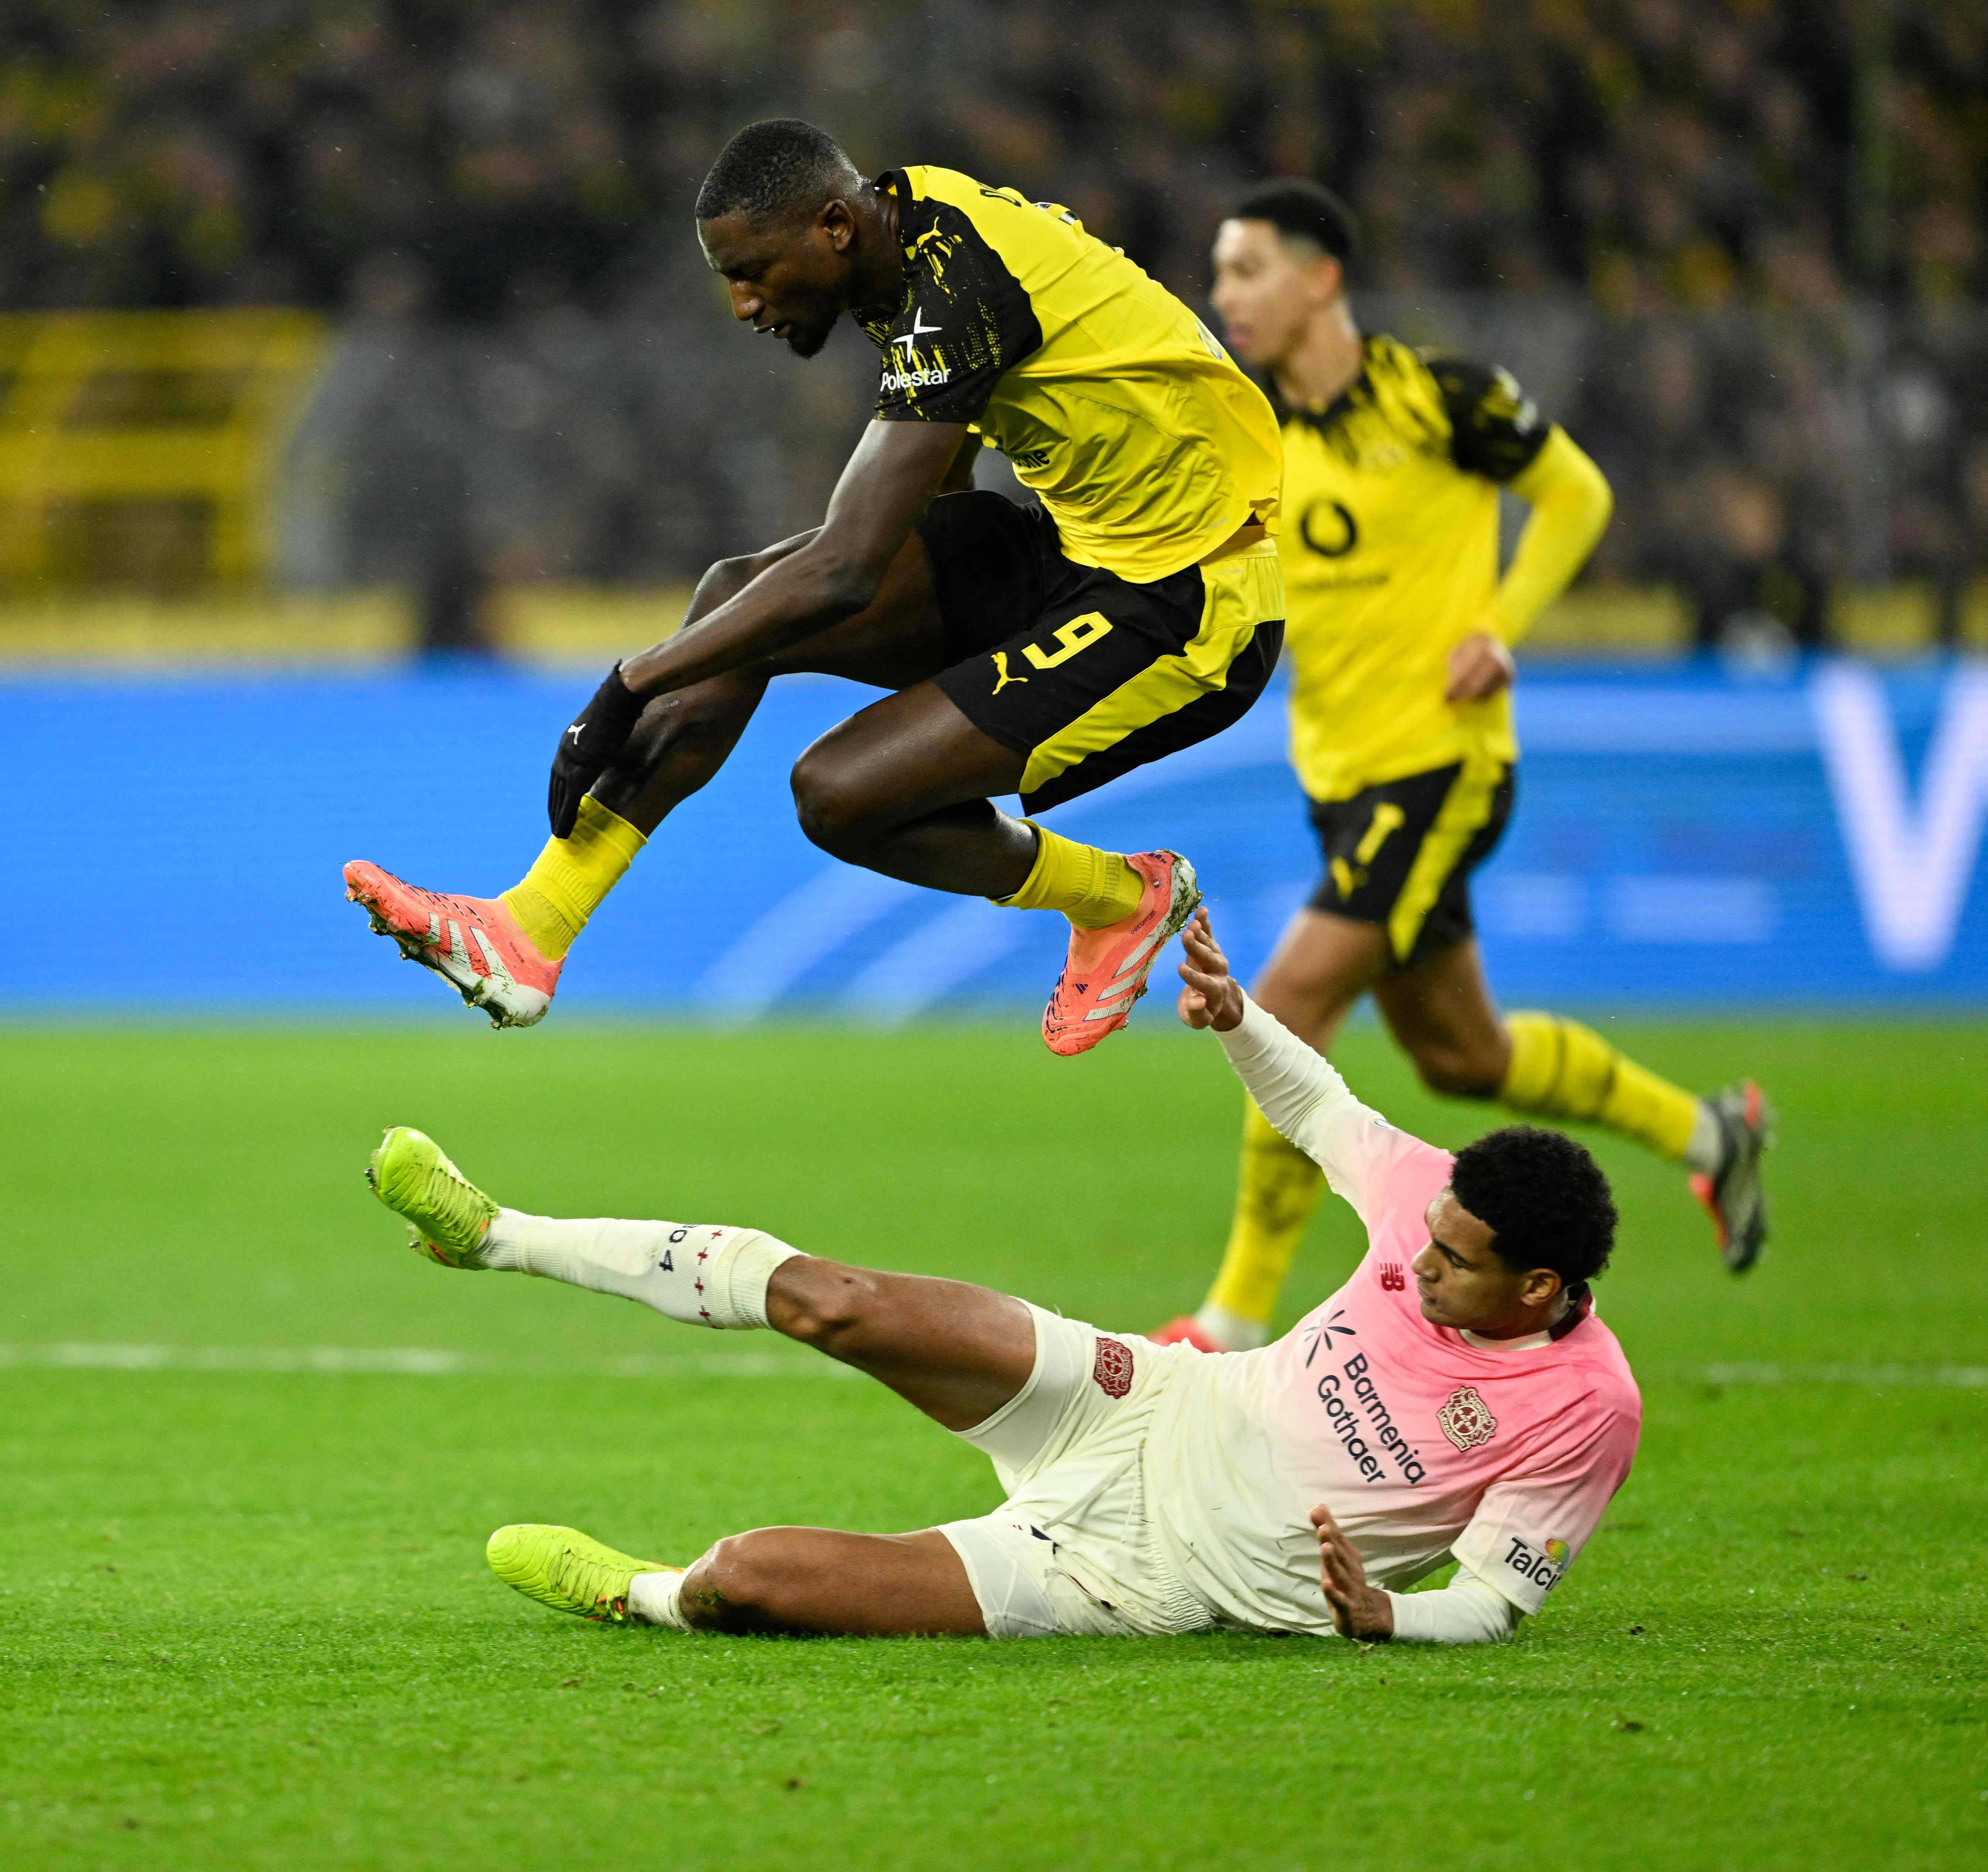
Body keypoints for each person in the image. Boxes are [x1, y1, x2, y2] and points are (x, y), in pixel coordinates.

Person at [362, 912, 1637, 1644]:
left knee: (744, 1576)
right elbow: (1323, 1109)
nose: (1417, 1262)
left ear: (1538, 1288)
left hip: (1144, 1578)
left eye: (1453, 1263)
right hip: (1152, 1398)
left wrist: (1387, 1620)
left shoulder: (1586, 1408)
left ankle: (635, 1594)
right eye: (1427, 1237)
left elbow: (1492, 1600)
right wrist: (1239, 1019)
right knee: (834, 1300)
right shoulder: (1439, 1197)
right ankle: (496, 1234)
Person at [343, 118, 1287, 1054]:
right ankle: (530, 927)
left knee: (840, 792)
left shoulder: (955, 282)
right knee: (738, 595)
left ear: (833, 226)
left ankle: (1121, 897)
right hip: (1069, 549)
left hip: (1189, 602)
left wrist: (628, 683)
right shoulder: (905, 235)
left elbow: (844, 569)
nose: (742, 304)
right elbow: (938, 471)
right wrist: (935, 608)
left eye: (751, 272)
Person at [1160, 179, 1771, 1356]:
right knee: (1462, 1055)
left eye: (1246, 268)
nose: (1225, 293)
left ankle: (1230, 1316)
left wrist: (1501, 625)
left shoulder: (1443, 398)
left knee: (1286, 1002)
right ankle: (1711, 1135)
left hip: (1440, 766)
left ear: (1321, 277)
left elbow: (1577, 495)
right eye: (1221, 273)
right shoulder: (1253, 437)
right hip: (1339, 780)